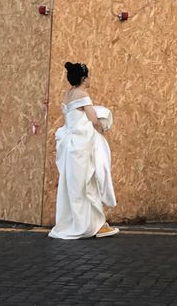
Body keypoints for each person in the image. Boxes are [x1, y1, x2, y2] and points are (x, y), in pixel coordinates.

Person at [49, 63, 118, 239]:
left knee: (73, 185)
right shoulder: (82, 95)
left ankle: (80, 222)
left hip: (69, 145)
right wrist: (102, 131)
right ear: (83, 78)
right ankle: (93, 225)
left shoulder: (68, 94)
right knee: (88, 183)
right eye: (88, 76)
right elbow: (93, 119)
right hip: (81, 145)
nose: (90, 79)